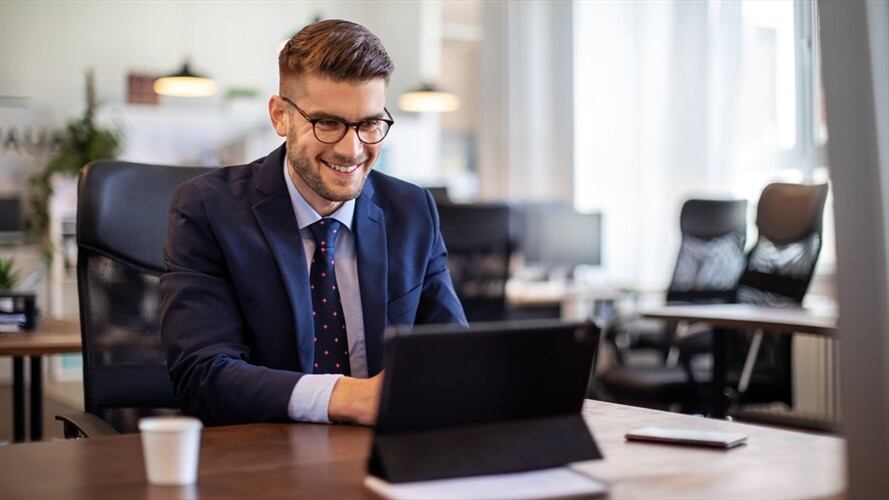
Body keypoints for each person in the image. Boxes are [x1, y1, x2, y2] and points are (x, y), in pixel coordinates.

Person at [160, 19, 467, 427]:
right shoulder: (208, 210)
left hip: (386, 458)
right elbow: (203, 376)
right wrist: (348, 397)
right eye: (328, 123)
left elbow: (455, 356)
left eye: (369, 124)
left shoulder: (411, 211)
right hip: (261, 461)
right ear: (281, 117)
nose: (351, 149)